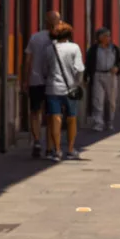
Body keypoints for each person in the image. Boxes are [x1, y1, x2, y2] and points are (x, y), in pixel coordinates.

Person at [21, 10, 61, 158]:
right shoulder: (62, 39)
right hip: (53, 82)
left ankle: (37, 140)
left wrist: (25, 80)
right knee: (52, 114)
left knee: (35, 111)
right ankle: (50, 146)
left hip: (35, 80)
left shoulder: (35, 37)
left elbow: (28, 61)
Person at [44, 21, 85, 161]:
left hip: (52, 88)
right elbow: (80, 69)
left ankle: (57, 150)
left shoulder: (49, 49)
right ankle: (71, 149)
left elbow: (45, 69)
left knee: (56, 118)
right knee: (71, 119)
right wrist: (78, 83)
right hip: (70, 89)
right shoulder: (74, 48)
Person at [86, 28, 120, 132]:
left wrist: (117, 67)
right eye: (106, 36)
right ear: (99, 37)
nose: (108, 38)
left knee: (111, 101)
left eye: (109, 35)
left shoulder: (114, 49)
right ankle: (98, 123)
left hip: (110, 75)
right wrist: (86, 76)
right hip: (98, 74)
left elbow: (119, 61)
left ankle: (109, 122)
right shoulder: (94, 49)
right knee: (97, 100)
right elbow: (88, 63)